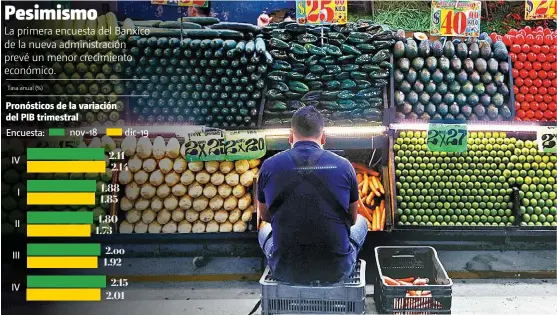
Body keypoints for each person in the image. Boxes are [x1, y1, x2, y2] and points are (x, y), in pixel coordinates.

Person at [257, 106, 368, 284]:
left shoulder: (268, 166)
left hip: (286, 271)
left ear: (290, 136)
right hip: (335, 270)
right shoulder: (344, 166)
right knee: (363, 221)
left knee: (264, 230)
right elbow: (352, 219)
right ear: (323, 136)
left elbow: (264, 216)